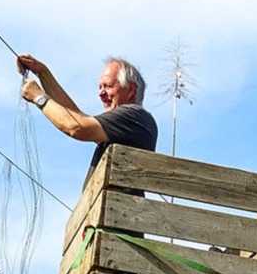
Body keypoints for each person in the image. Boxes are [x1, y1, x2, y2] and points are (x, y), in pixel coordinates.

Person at [17, 53, 158, 183]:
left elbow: (76, 126)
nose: (101, 93)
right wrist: (42, 72)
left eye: (108, 86)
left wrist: (39, 97)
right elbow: (74, 116)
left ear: (131, 90)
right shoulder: (125, 126)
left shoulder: (135, 117)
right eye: (100, 87)